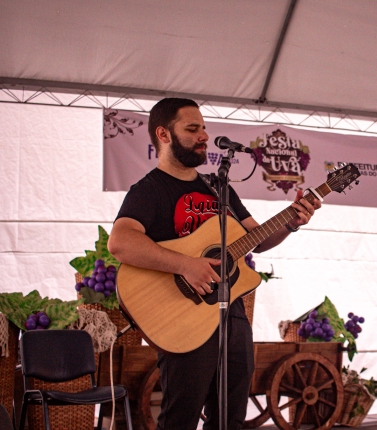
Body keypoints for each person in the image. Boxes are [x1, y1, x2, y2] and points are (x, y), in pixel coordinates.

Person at [108, 98, 320, 430]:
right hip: (183, 315)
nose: (204, 135)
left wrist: (291, 222)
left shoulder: (218, 188)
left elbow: (257, 238)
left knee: (231, 417)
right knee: (181, 418)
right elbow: (121, 242)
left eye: (204, 128)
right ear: (164, 134)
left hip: (231, 313)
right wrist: (185, 265)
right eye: (192, 129)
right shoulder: (149, 190)